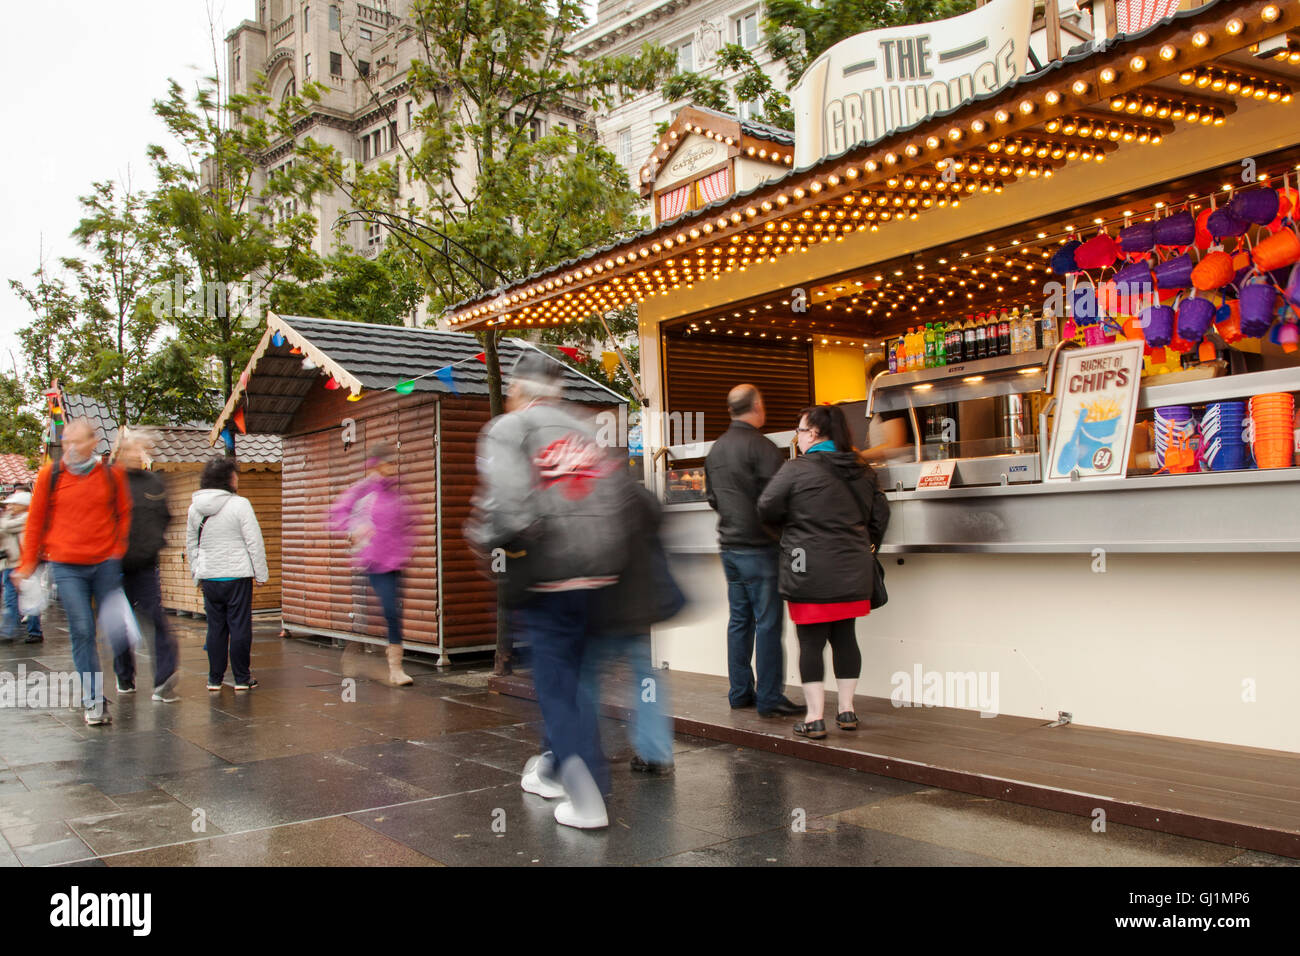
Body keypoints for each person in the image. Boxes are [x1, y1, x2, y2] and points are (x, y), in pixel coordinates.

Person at [466, 350, 635, 830]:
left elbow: (509, 504)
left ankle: (585, 798)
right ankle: (556, 767)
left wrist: (484, 542)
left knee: (557, 686)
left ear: (519, 388)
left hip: (548, 573)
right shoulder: (585, 428)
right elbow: (616, 499)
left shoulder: (509, 428)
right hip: (600, 574)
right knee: (578, 682)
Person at [757, 404, 890, 740]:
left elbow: (766, 507)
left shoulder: (796, 469)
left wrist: (790, 538)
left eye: (800, 431)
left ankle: (815, 718)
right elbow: (880, 515)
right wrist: (865, 545)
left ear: (813, 433)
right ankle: (847, 711)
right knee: (846, 637)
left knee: (811, 642)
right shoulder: (863, 469)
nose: (797, 437)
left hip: (807, 567)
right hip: (852, 566)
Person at [13, 419, 133, 726]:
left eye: (78, 442)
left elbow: (123, 512)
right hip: (66, 566)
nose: (71, 449)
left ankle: (123, 677)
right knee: (82, 630)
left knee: (115, 628)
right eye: (67, 443)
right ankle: (93, 701)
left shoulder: (110, 475)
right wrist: (27, 564)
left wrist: (117, 548)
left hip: (105, 562)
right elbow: (35, 522)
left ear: (93, 442)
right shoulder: (49, 476)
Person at [703, 384, 801, 717]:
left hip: (729, 547)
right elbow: (779, 500)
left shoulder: (716, 450)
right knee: (769, 623)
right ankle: (770, 697)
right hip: (760, 548)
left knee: (739, 621)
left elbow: (713, 498)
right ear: (757, 405)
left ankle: (740, 692)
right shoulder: (763, 448)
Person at [586, 484, 682, 775]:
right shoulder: (639, 494)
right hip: (641, 604)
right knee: (645, 678)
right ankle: (656, 752)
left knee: (586, 677)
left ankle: (583, 748)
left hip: (606, 607)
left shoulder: (590, 498)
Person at [331, 441, 416, 686]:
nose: (392, 468)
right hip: (370, 561)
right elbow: (338, 512)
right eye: (388, 463)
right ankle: (358, 652)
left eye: (393, 463)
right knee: (381, 612)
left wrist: (408, 545)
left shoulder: (398, 492)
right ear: (375, 466)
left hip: (395, 561)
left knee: (392, 613)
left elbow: (411, 519)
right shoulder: (363, 491)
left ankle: (395, 669)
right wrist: (352, 531)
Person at [187, 457, 268, 692]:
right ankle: (241, 678)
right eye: (235, 474)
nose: (237, 478)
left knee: (216, 628)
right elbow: (254, 542)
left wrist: (196, 574)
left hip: (209, 576)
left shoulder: (194, 508)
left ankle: (214, 679)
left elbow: (191, 544)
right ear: (227, 478)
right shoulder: (240, 504)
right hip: (237, 576)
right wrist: (261, 574)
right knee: (239, 627)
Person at [111, 431, 180, 702]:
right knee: (121, 624)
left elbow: (165, 515)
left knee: (156, 618)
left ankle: (164, 679)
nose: (136, 455)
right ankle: (124, 675)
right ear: (120, 453)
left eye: (140, 450)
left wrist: (154, 542)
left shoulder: (155, 482)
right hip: (114, 564)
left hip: (145, 563)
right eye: (131, 450)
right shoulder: (110, 482)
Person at [1, 491, 43, 644]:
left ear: (23, 506)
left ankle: (34, 632)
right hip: (10, 564)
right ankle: (10, 631)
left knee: (30, 599)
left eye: (13, 504)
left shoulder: (27, 519)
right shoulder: (10, 519)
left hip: (25, 565)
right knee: (10, 599)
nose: (10, 506)